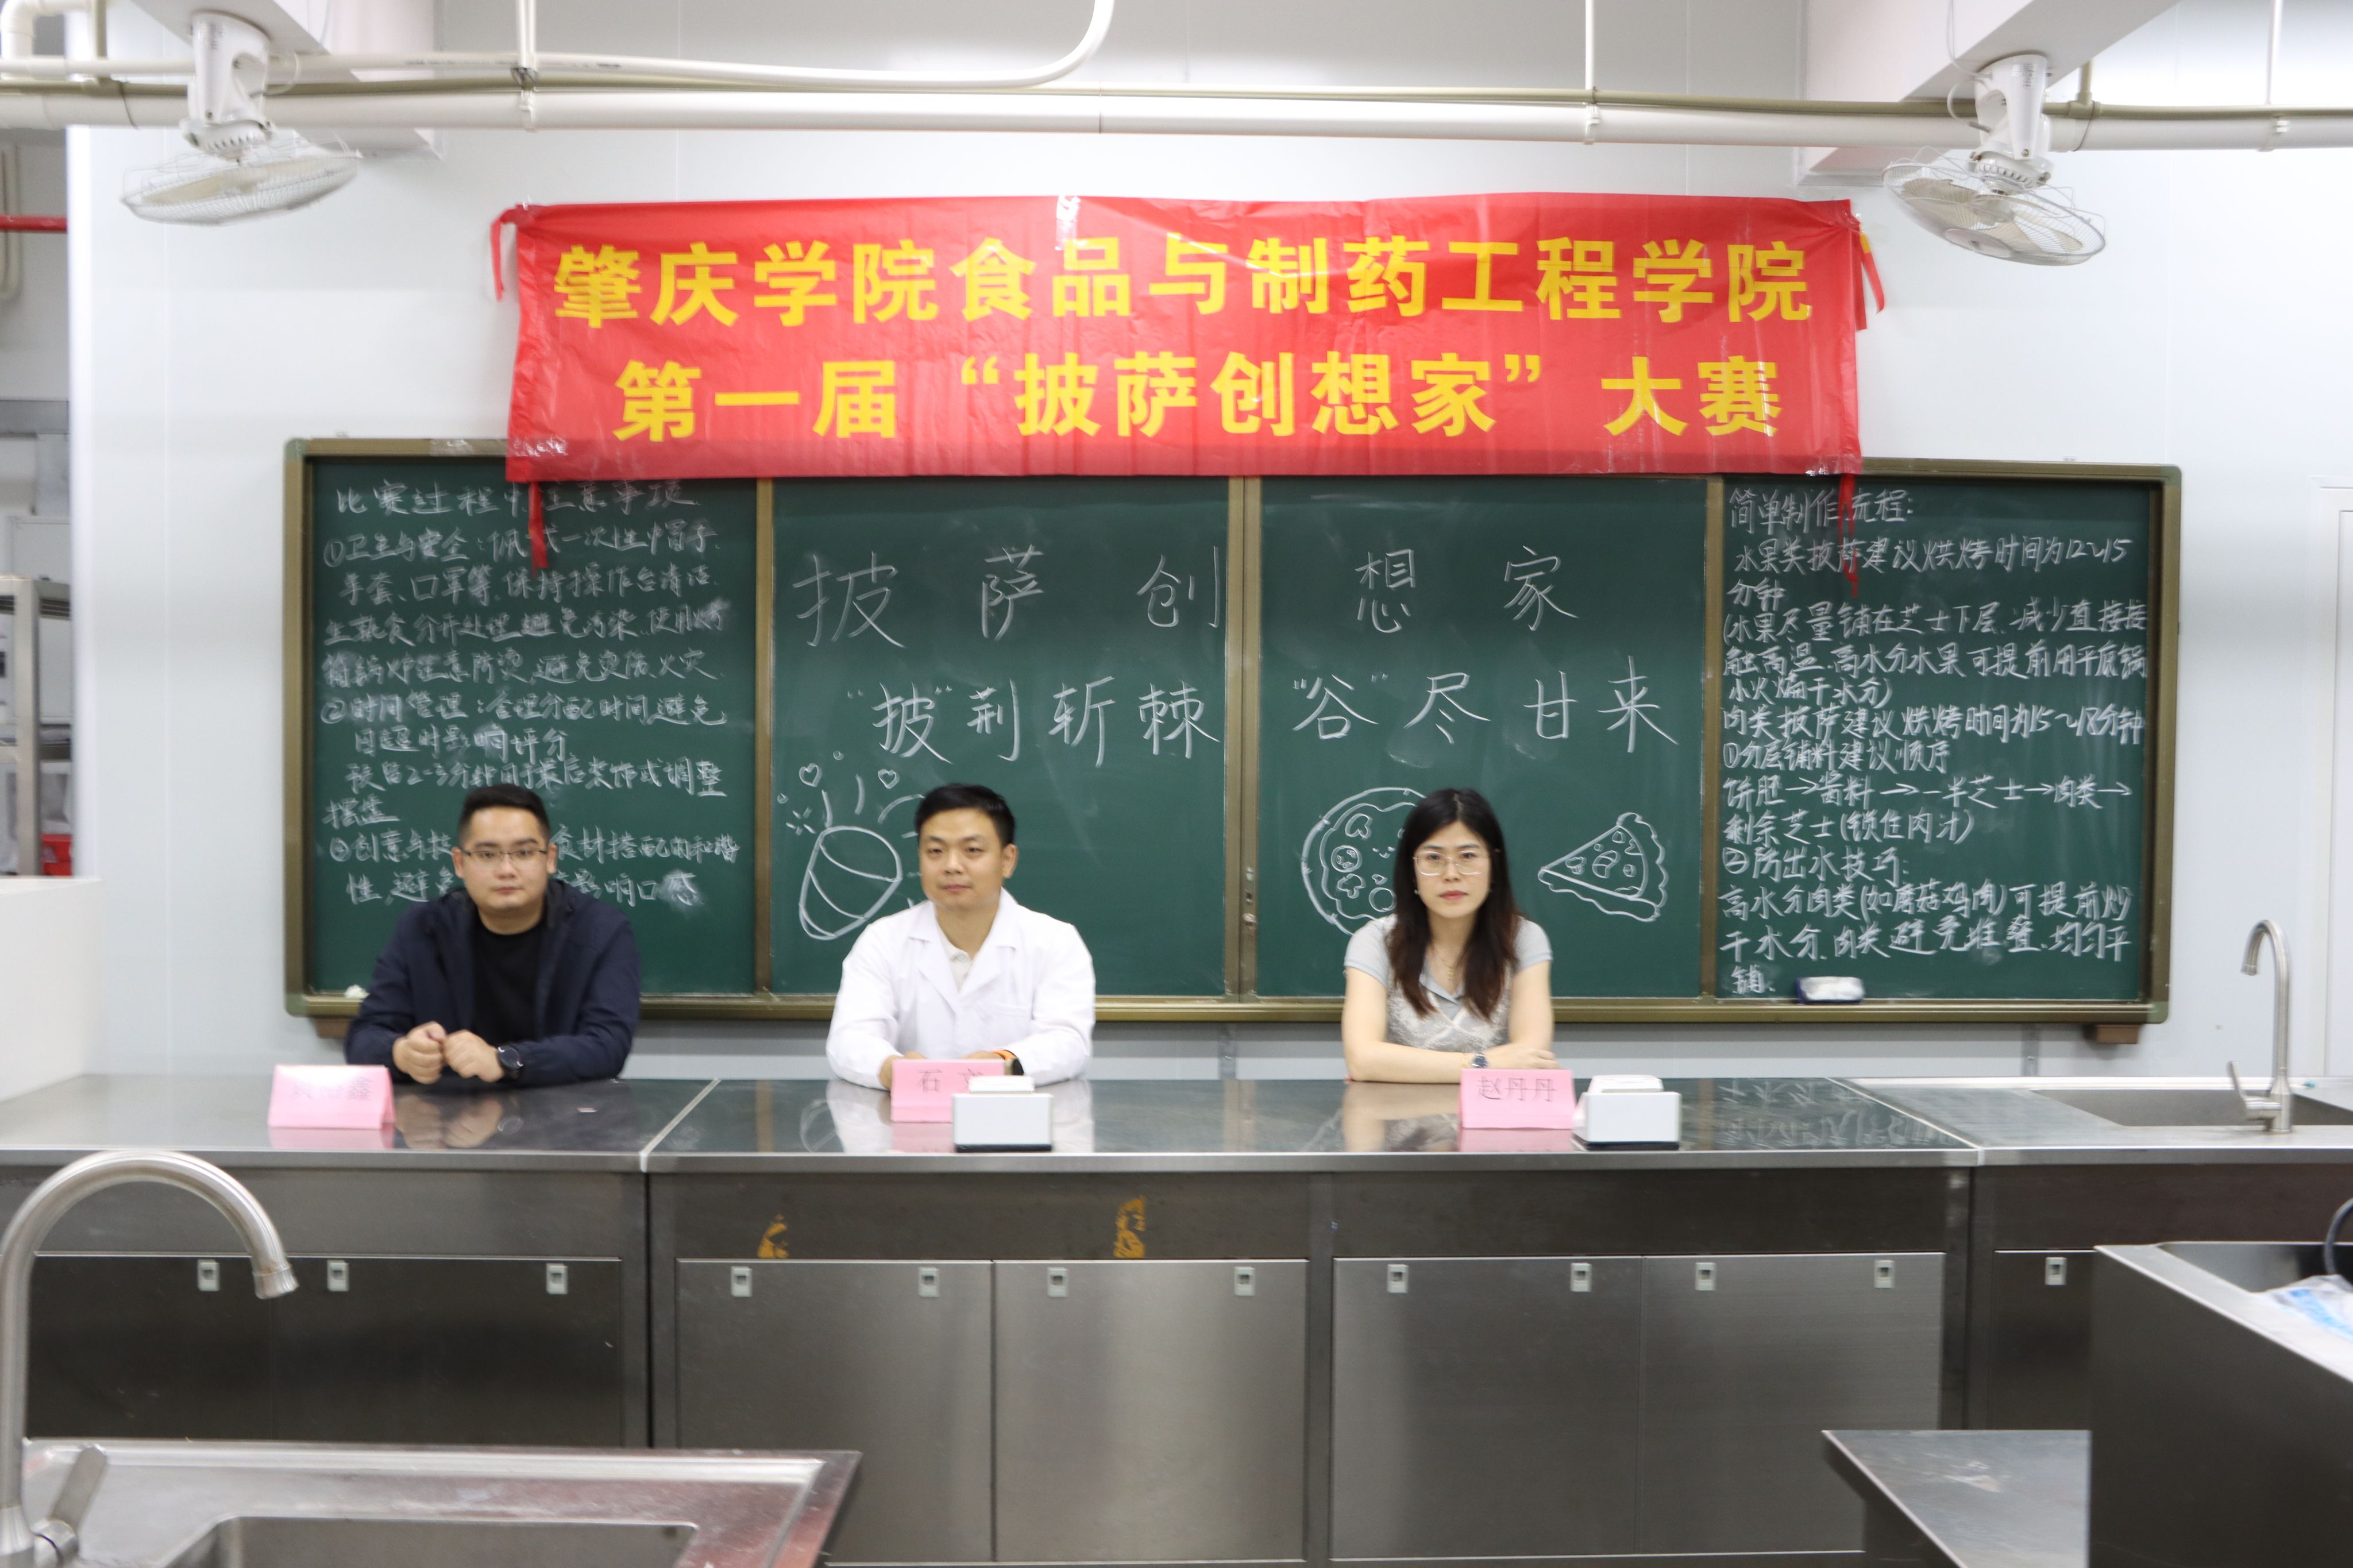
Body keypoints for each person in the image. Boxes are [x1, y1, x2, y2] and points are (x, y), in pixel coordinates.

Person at [348, 783, 641, 1088]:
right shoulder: (422, 929)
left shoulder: (601, 930)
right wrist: (401, 1053)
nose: (506, 869)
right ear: (460, 863)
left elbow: (608, 1046)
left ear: (550, 858)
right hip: (447, 1110)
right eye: (487, 854)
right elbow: (363, 1037)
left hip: (566, 1110)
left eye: (524, 853)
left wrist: (505, 1060)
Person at [827, 782, 1094, 1088]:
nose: (952, 866)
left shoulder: (1055, 941)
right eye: (936, 851)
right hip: (909, 1110)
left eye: (972, 851)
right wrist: (892, 1069)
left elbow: (1068, 1042)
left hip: (1017, 1112)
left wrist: (1003, 1064)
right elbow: (850, 1039)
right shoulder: (883, 941)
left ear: (1007, 860)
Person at [1340, 786, 1554, 1083]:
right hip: (1398, 1109)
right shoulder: (1375, 941)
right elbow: (1363, 1059)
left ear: (1494, 864)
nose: (1451, 874)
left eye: (1468, 856)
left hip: (1492, 1110)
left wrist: (1395, 1065)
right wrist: (1483, 1063)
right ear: (1412, 870)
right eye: (1434, 858)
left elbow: (1531, 1057)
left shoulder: (1524, 939)